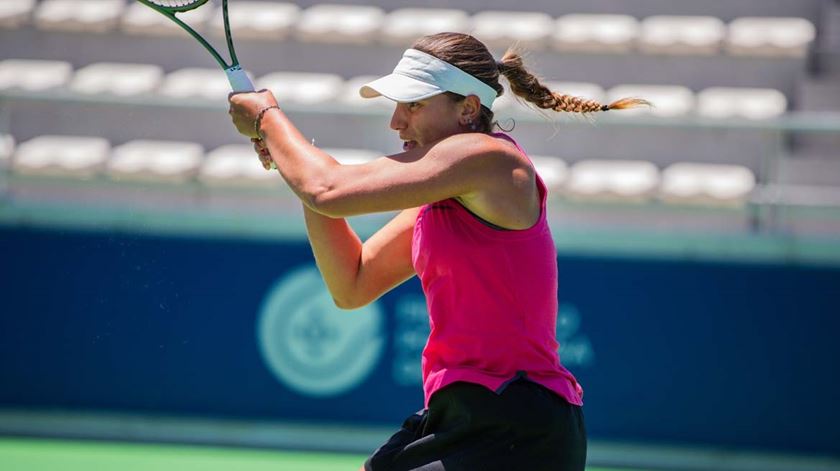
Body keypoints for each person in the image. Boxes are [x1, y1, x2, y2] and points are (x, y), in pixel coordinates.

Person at [228, 32, 647, 471]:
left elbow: (329, 189)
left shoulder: (491, 160)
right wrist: (298, 170)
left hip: (518, 423)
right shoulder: (443, 201)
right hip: (462, 416)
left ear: (468, 108)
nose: (396, 122)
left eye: (413, 104)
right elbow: (352, 282)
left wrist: (268, 119)